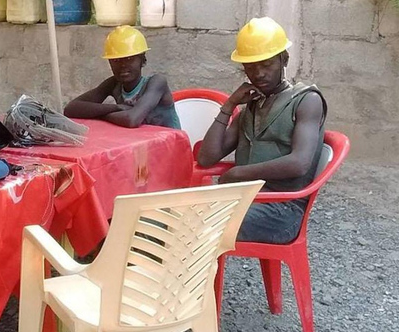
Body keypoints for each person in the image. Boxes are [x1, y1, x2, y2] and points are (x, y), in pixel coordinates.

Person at [197, 17, 327, 244]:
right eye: (250, 66)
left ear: (283, 59)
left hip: (282, 210)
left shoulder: (306, 100)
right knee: (179, 219)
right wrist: (229, 105)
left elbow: (299, 163)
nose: (258, 73)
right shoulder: (253, 106)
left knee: (198, 224)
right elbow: (207, 158)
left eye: (266, 64)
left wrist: (239, 173)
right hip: (245, 201)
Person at [63, 26, 180, 129]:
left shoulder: (156, 82)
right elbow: (71, 109)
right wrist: (117, 108)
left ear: (143, 61)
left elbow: (132, 119)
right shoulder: (114, 84)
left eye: (129, 59)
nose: (123, 65)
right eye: (116, 60)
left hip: (170, 147)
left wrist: (98, 114)